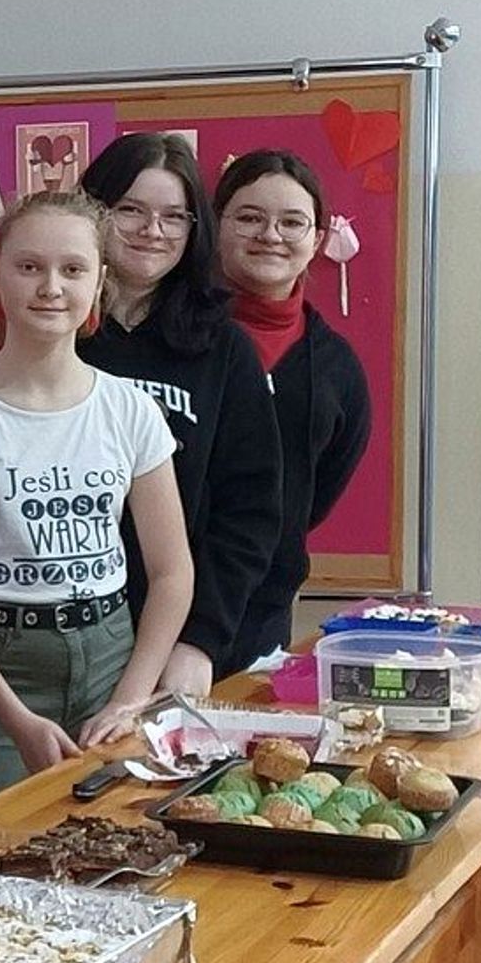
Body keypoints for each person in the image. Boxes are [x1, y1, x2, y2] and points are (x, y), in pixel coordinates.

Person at [0, 192, 192, 808]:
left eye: (73, 269)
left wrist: (130, 700)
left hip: (112, 658)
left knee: (120, 841)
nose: (51, 288)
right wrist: (16, 720)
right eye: (29, 267)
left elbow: (173, 573)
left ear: (99, 281)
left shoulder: (130, 410)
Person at [79, 132, 283, 688]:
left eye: (174, 216)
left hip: (177, 644)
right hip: (60, 638)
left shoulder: (225, 348)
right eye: (131, 210)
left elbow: (250, 512)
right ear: (92, 211)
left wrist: (200, 639)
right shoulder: (52, 334)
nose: (153, 230)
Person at [213, 149, 371, 666]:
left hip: (264, 609)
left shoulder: (335, 366)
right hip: (151, 605)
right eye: (249, 218)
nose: (270, 235)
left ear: (318, 238)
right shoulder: (174, 340)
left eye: (292, 222)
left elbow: (316, 493)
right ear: (216, 225)